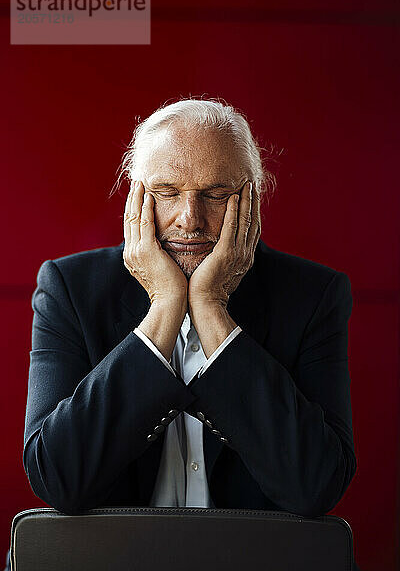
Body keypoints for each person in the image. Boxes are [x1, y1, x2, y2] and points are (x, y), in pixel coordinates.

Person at [11, 98, 359, 569]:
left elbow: (316, 483)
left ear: (252, 198)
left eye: (216, 195)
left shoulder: (315, 296)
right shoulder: (69, 289)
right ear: (137, 197)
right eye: (167, 192)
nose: (189, 218)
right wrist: (165, 307)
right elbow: (58, 477)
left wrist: (212, 309)